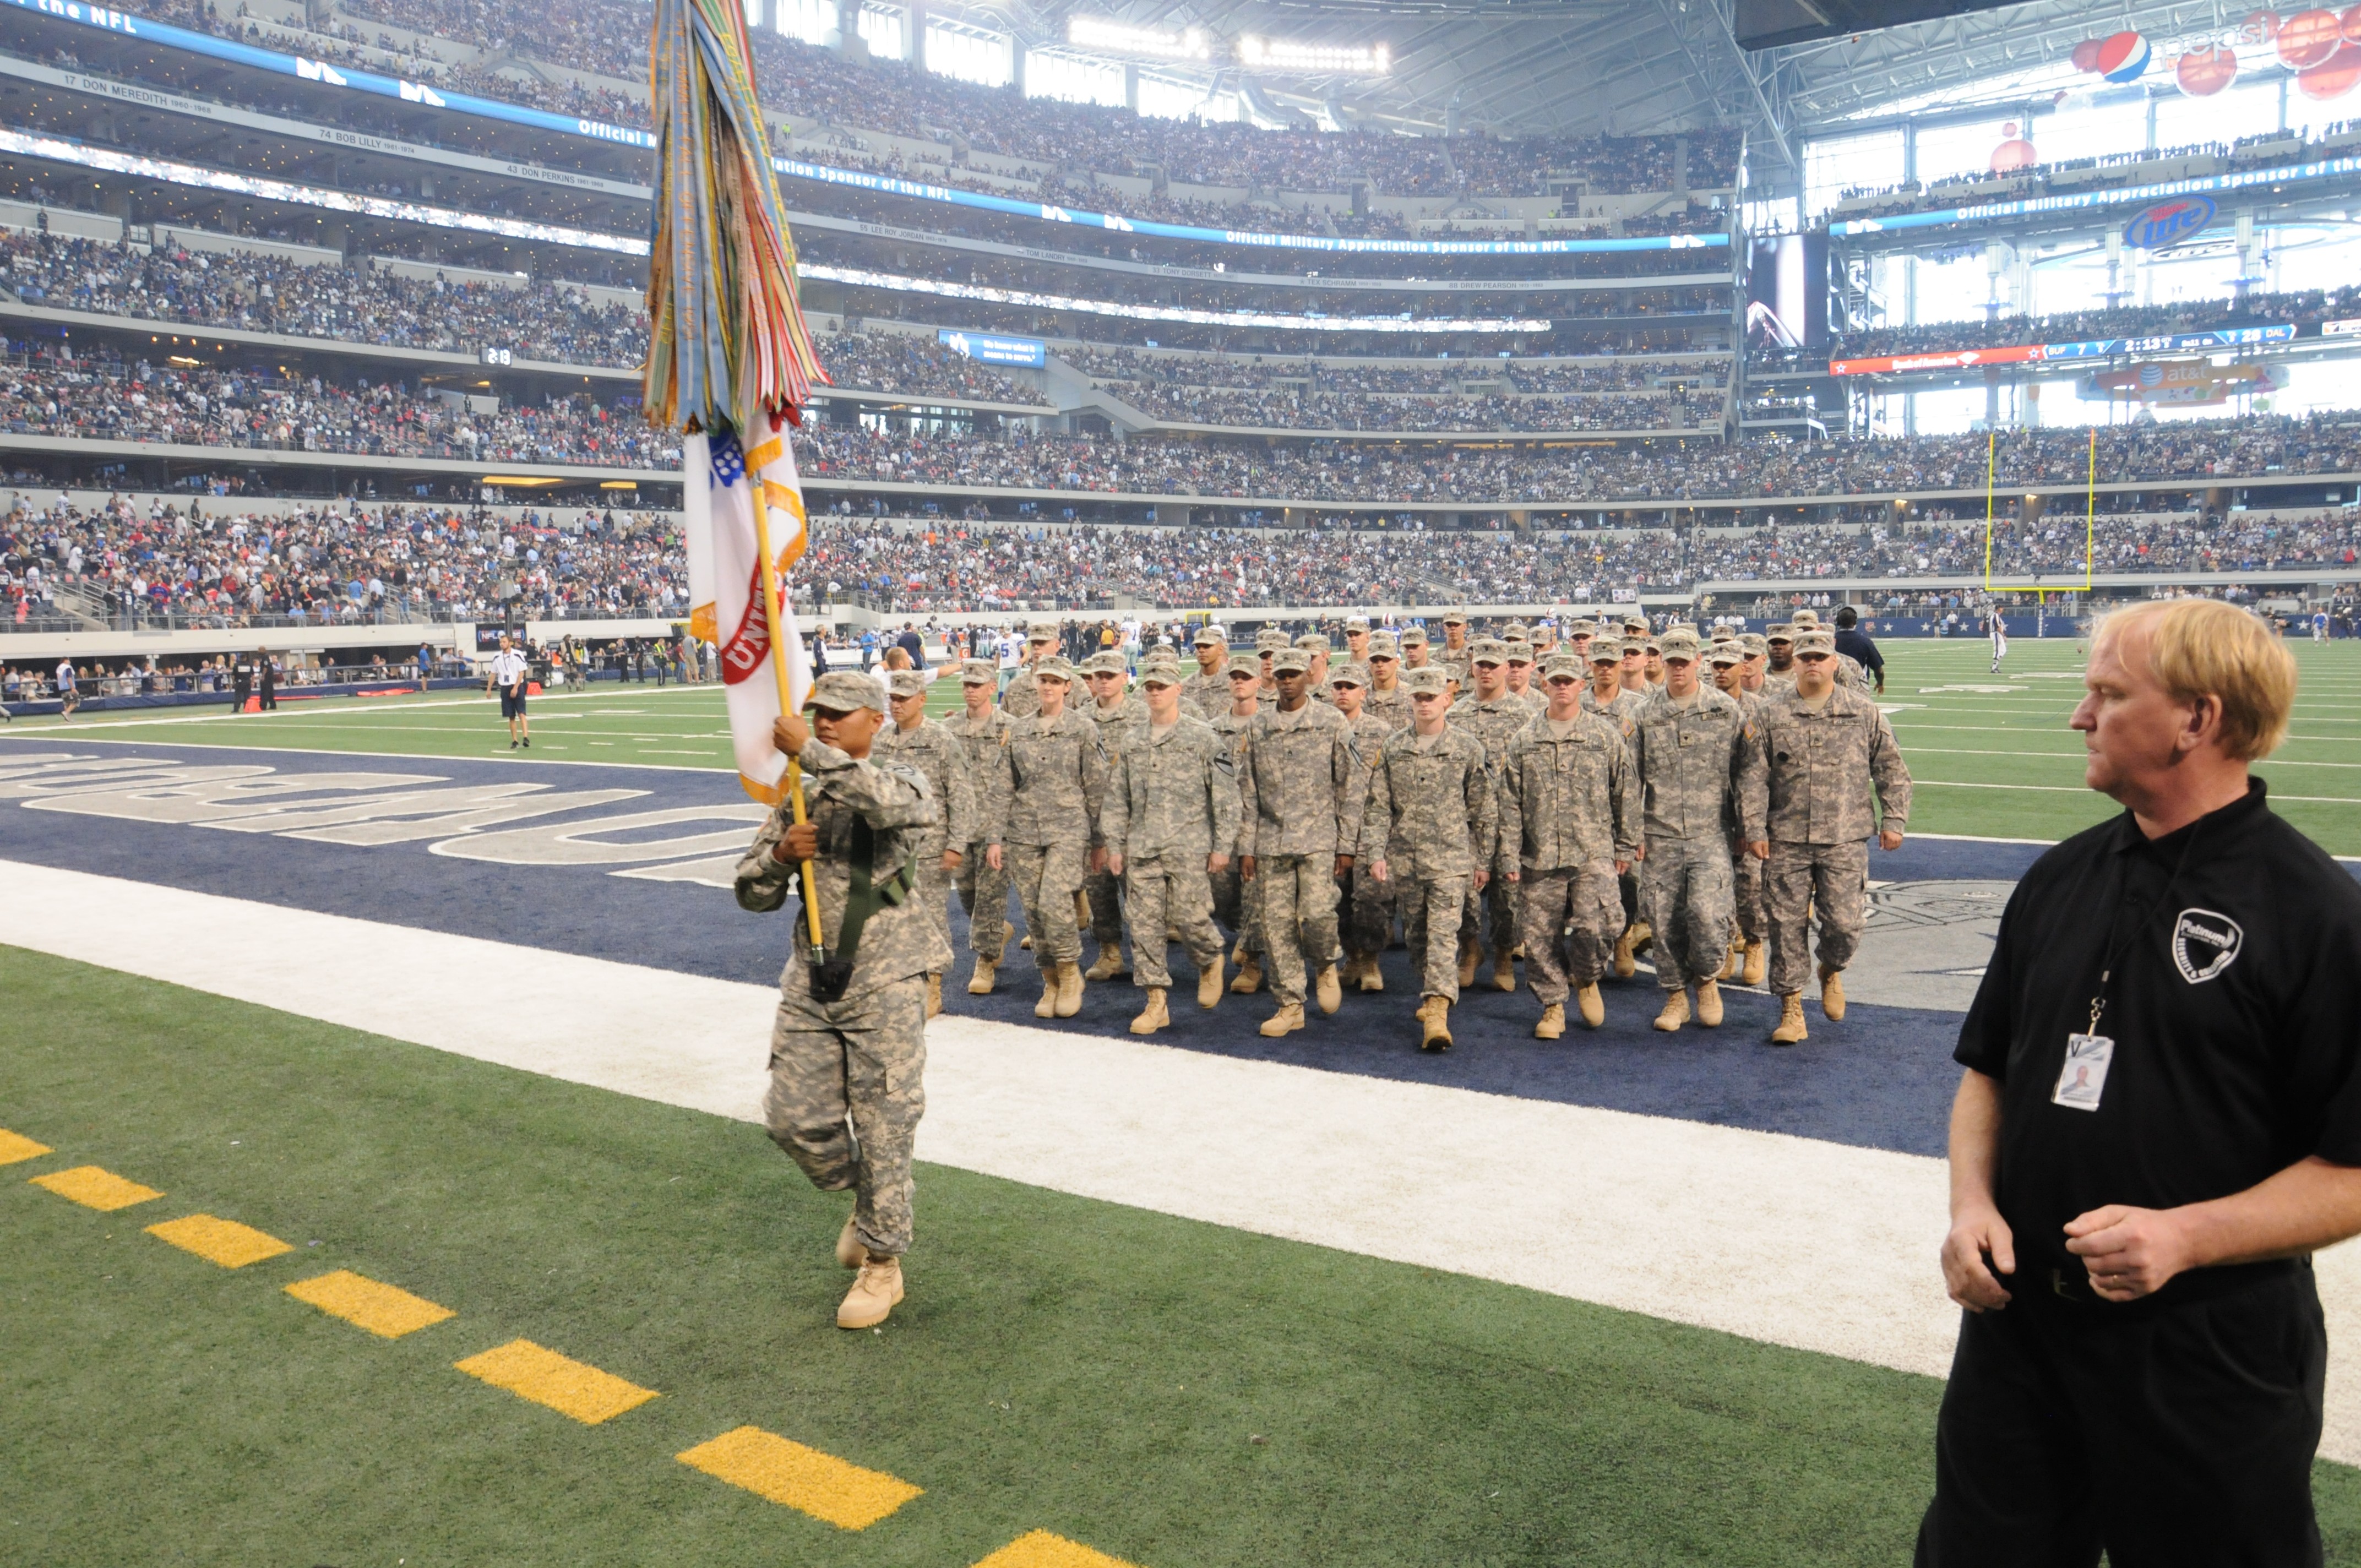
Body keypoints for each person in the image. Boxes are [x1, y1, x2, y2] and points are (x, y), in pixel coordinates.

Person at [1921, 597, 2361, 1565]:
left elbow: (2353, 1170)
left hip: (2202, 1352)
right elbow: (1987, 1071)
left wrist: (2184, 1234)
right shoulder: (2057, 877)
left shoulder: (2317, 914)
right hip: (2017, 1331)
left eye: (2108, 694)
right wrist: (1967, 1206)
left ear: (2196, 719)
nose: (2079, 715)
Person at [733, 672, 947, 1332]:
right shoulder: (797, 796)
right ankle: (869, 1202)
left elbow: (898, 812)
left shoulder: (901, 776)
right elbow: (749, 892)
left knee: (884, 1127)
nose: (823, 723)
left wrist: (815, 755)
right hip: (812, 979)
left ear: (874, 722)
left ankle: (883, 1262)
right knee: (793, 1120)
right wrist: (777, 857)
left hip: (884, 980)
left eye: (838, 715)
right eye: (816, 714)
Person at [1758, 628, 1913, 1044]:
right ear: (1795, 663)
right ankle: (1791, 1007)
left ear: (1834, 663)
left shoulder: (1863, 712)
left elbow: (1892, 770)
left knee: (1845, 925)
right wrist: (1752, 829)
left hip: (1844, 838)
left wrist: (1894, 820)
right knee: (1785, 926)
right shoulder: (1770, 714)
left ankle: (1830, 969)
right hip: (1785, 839)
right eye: (1804, 656)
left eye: (1819, 657)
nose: (1812, 663)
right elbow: (1752, 777)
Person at [1628, 629, 1766, 1033]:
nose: (1677, 669)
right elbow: (1629, 780)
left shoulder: (1726, 711)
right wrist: (1631, 833)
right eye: (1670, 662)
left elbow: (1749, 775)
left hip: (1712, 834)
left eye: (1683, 662)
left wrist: (1749, 826)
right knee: (1665, 922)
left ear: (1697, 662)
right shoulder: (1643, 714)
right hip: (1661, 835)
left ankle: (1706, 983)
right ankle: (1675, 997)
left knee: (1708, 916)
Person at [1498, 651, 1639, 1036]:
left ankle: (1587, 976)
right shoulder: (1525, 740)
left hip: (1592, 852)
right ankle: (1552, 1006)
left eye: (1568, 681)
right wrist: (1508, 853)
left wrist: (1626, 846)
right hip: (1540, 855)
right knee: (1540, 937)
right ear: (1545, 684)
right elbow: (1509, 802)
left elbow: (1625, 793)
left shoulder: (1604, 736)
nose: (1562, 687)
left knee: (1603, 926)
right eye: (1555, 681)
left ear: (1581, 685)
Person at [1360, 666, 1496, 1051]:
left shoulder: (1467, 748)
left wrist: (1483, 859)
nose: (1424, 704)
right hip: (1407, 860)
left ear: (1446, 700)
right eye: (1418, 697)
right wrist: (1376, 852)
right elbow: (1378, 807)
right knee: (1417, 936)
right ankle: (1431, 990)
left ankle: (1437, 1010)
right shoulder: (1393, 747)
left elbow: (1483, 809)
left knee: (1441, 936)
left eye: (1430, 697)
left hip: (1451, 861)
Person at [1100, 661, 1237, 1033]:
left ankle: (1209, 958)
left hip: (1189, 845)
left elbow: (1226, 796)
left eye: (1162, 686)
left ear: (1178, 690)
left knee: (1191, 918)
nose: (1155, 692)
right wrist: (1114, 844)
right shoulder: (1132, 740)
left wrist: (1223, 845)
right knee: (1143, 927)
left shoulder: (1203, 737)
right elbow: (1117, 798)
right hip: (1143, 848)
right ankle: (1156, 1001)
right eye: (1150, 687)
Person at [1237, 645, 1362, 1037]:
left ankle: (1325, 964)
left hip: (1319, 840)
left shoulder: (1331, 723)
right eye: (1281, 675)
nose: (1287, 680)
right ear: (1272, 680)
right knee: (1276, 927)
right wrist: (1246, 846)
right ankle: (1290, 1004)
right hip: (1271, 842)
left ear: (1308, 676)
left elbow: (1350, 787)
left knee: (1319, 916)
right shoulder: (1257, 728)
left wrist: (1347, 844)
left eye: (1294, 674)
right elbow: (1247, 793)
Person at [984, 656, 1107, 1019]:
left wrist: (1101, 841)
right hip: (1023, 832)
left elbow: (1097, 786)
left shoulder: (1083, 728)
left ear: (1068, 686)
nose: (1049, 687)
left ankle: (1070, 973)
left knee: (1054, 901)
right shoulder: (1018, 730)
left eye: (1056, 681)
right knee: (1034, 911)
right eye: (1043, 681)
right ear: (1035, 684)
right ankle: (1049, 977)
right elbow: (1002, 786)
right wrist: (995, 838)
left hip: (1068, 829)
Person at [875, 667, 976, 1020]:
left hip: (930, 848)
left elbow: (961, 795)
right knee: (891, 918)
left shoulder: (941, 739)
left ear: (922, 699)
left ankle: (933, 987)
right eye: (893, 697)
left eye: (903, 698)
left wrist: (957, 844)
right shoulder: (883, 740)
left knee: (931, 919)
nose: (897, 704)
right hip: (889, 849)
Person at [1449, 638, 1535, 993]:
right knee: (1464, 894)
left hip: (1510, 819)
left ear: (1506, 669)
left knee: (1509, 897)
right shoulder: (1455, 714)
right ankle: (1470, 950)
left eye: (1493, 665)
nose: (1486, 671)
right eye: (1480, 665)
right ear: (1472, 668)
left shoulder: (1527, 715)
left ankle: (1503, 955)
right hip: (1466, 821)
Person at [949, 660, 1017, 995]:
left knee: (990, 899)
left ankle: (986, 961)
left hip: (997, 829)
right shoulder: (949, 730)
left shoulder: (1012, 728)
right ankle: (995, 931)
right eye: (966, 685)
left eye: (977, 685)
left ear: (993, 687)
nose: (970, 690)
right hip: (961, 829)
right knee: (968, 897)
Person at [1080, 652, 1149, 982]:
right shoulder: (1079, 720)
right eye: (1099, 675)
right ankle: (1109, 952)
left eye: (1111, 675)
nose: (1104, 680)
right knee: (1098, 888)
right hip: (1093, 820)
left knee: (1140, 892)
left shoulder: (1144, 714)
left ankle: (1149, 958)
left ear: (1125, 678)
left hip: (1136, 819)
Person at [1328, 661, 1394, 993]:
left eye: (1349, 687)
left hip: (1370, 828)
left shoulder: (1382, 732)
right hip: (1331, 827)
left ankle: (1370, 961)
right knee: (1337, 903)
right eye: (1338, 686)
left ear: (1363, 693)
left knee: (1371, 901)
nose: (1343, 692)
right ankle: (1352, 958)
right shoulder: (1322, 727)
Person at [485, 635, 530, 749]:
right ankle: (515, 740)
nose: (502, 644)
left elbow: (522, 672)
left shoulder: (517, 654)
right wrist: (489, 688)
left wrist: (516, 687)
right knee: (511, 716)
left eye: (504, 642)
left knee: (521, 713)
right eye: (501, 642)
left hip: (517, 685)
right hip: (505, 687)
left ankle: (526, 737)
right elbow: (493, 673)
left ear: (510, 643)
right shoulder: (497, 657)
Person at [1832, 605, 1886, 695]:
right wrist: (1880, 683)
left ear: (1838, 622)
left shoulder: (1829, 641)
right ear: (1855, 622)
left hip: (1835, 689)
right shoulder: (1866, 642)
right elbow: (1879, 670)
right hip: (1859, 690)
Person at [1988, 602, 2010, 673]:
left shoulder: (1996, 616)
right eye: (2001, 608)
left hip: (1997, 634)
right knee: (1997, 650)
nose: (2002, 609)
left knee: (2003, 650)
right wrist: (2003, 635)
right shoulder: (1996, 616)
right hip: (1996, 634)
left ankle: (1995, 664)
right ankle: (1994, 668)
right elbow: (1997, 627)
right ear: (1998, 609)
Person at [55, 656, 77, 720]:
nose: (70, 662)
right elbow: (69, 678)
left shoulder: (59, 668)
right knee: (75, 701)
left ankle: (68, 718)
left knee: (67, 703)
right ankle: (66, 713)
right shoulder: (67, 668)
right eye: (69, 660)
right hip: (68, 687)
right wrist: (72, 687)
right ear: (65, 660)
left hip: (62, 688)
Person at [256, 648, 277, 712]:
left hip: (267, 676)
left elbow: (266, 667)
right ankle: (273, 705)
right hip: (270, 676)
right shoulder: (267, 657)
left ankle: (263, 706)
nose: (258, 651)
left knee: (265, 691)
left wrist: (263, 676)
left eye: (259, 650)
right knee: (270, 691)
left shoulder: (264, 657)